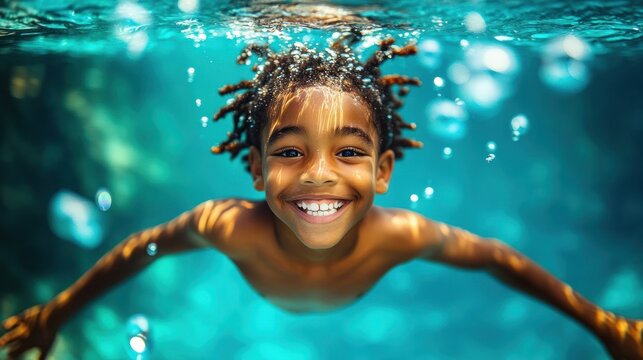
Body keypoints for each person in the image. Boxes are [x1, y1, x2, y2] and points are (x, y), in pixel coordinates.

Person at [1, 33, 641, 360]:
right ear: (253, 169)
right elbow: (142, 249)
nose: (318, 175)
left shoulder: (402, 235)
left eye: (351, 153)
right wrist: (55, 313)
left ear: (384, 170)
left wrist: (602, 324)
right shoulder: (227, 227)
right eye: (288, 151)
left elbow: (500, 258)